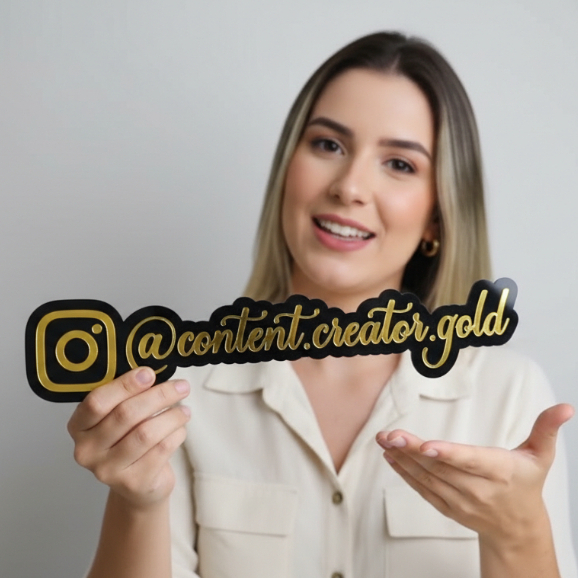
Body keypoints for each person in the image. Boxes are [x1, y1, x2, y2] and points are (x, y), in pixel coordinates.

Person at [68, 32, 577, 578]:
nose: (350, 187)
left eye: (399, 164)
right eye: (329, 145)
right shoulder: (177, 393)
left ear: (437, 216)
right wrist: (137, 502)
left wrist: (519, 533)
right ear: (287, 169)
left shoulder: (508, 393)